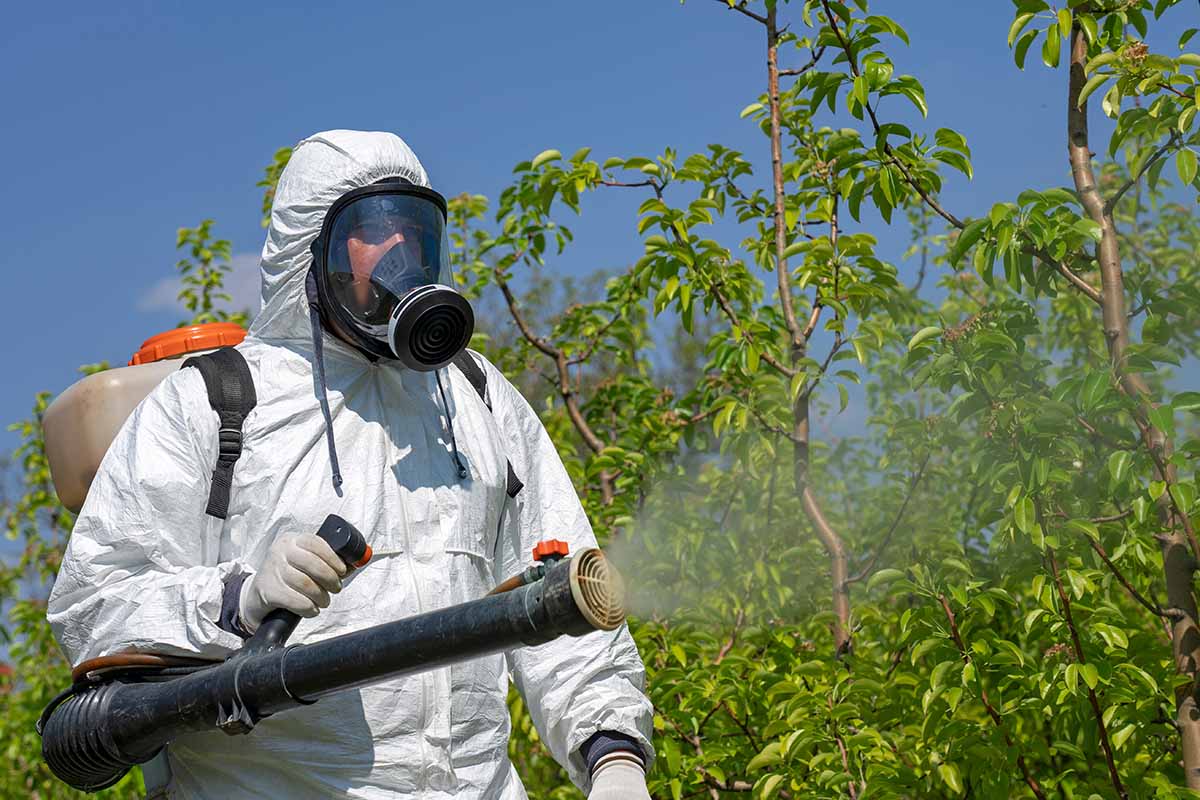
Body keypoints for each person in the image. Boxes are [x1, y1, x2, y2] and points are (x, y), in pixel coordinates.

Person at [47, 130, 654, 800]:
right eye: (370, 229)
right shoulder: (215, 401)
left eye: (414, 228)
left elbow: (561, 590)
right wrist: (236, 599)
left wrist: (613, 753)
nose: (401, 249)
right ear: (311, 252)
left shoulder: (476, 396)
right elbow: (96, 604)